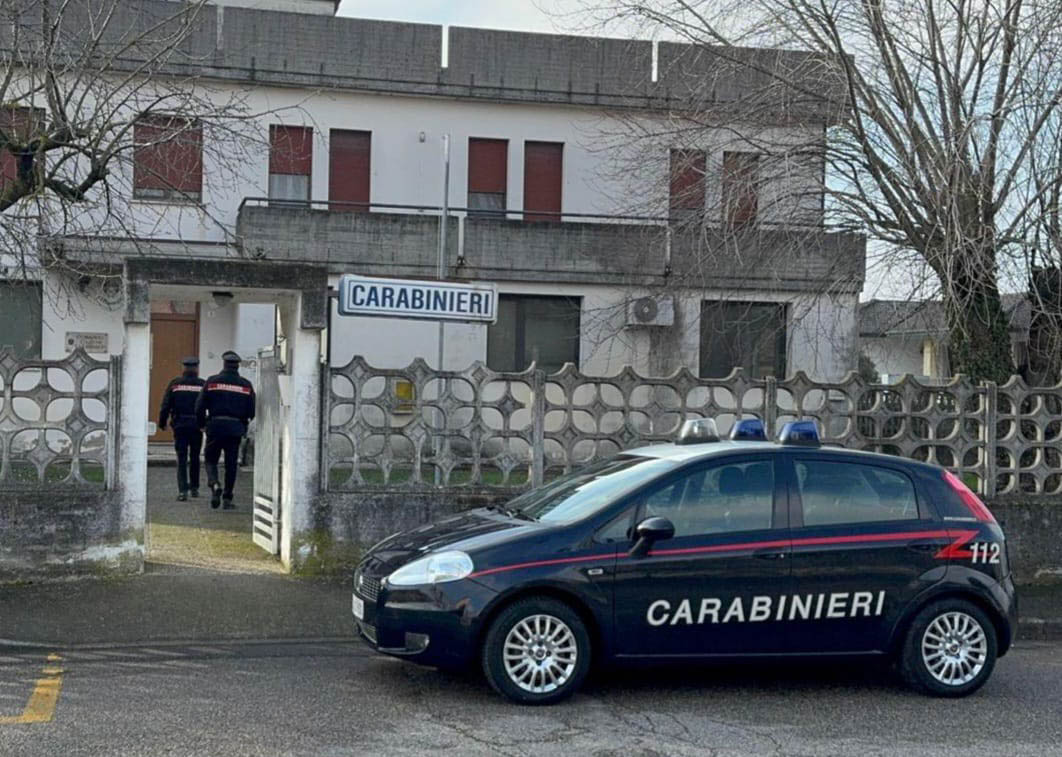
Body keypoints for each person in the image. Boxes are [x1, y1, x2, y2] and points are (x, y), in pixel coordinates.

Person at [195, 351, 256, 510]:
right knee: (231, 465)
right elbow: (251, 411)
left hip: (215, 427)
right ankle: (227, 498)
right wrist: (242, 424)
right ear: (238, 366)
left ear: (224, 364)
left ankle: (214, 484)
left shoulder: (212, 382)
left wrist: (202, 424)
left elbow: (200, 406)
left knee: (210, 460)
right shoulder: (246, 385)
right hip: (235, 429)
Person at [157, 357, 205, 502]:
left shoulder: (175, 384)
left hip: (180, 425)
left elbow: (166, 405)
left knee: (182, 458)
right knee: (195, 457)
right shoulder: (203, 384)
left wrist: (162, 422)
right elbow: (207, 405)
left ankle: (183, 491)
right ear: (196, 369)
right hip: (197, 426)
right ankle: (195, 488)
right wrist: (205, 423)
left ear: (183, 368)